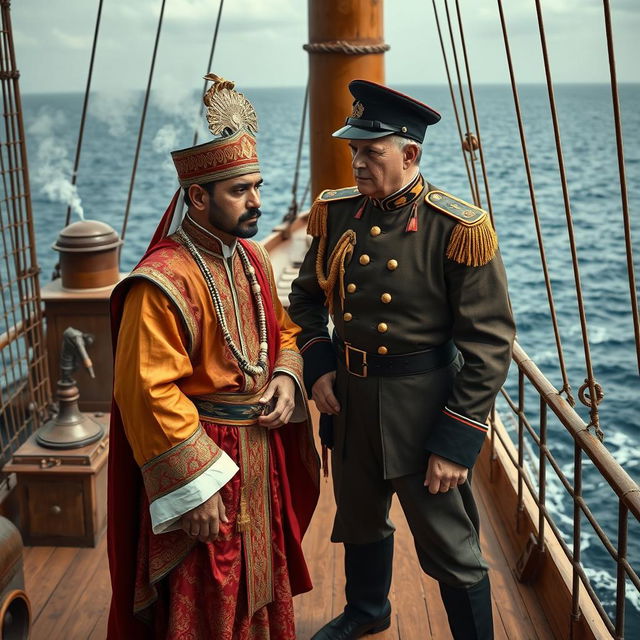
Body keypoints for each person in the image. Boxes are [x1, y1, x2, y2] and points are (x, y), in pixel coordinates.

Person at [288, 80, 515, 640]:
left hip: (423, 408)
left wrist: (455, 442)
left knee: (450, 546)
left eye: (371, 152)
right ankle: (369, 611)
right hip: (352, 398)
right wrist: (318, 370)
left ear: (410, 154)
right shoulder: (337, 213)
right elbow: (306, 301)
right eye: (353, 151)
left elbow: (488, 344)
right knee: (360, 516)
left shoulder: (457, 227)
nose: (357, 163)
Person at [107, 74, 319, 640]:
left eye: (257, 185)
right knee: (207, 596)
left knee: (258, 586)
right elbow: (146, 392)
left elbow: (286, 331)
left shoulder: (251, 257)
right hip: (207, 465)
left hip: (259, 456)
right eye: (239, 190)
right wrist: (196, 487)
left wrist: (286, 375)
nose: (257, 202)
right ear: (197, 197)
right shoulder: (160, 283)